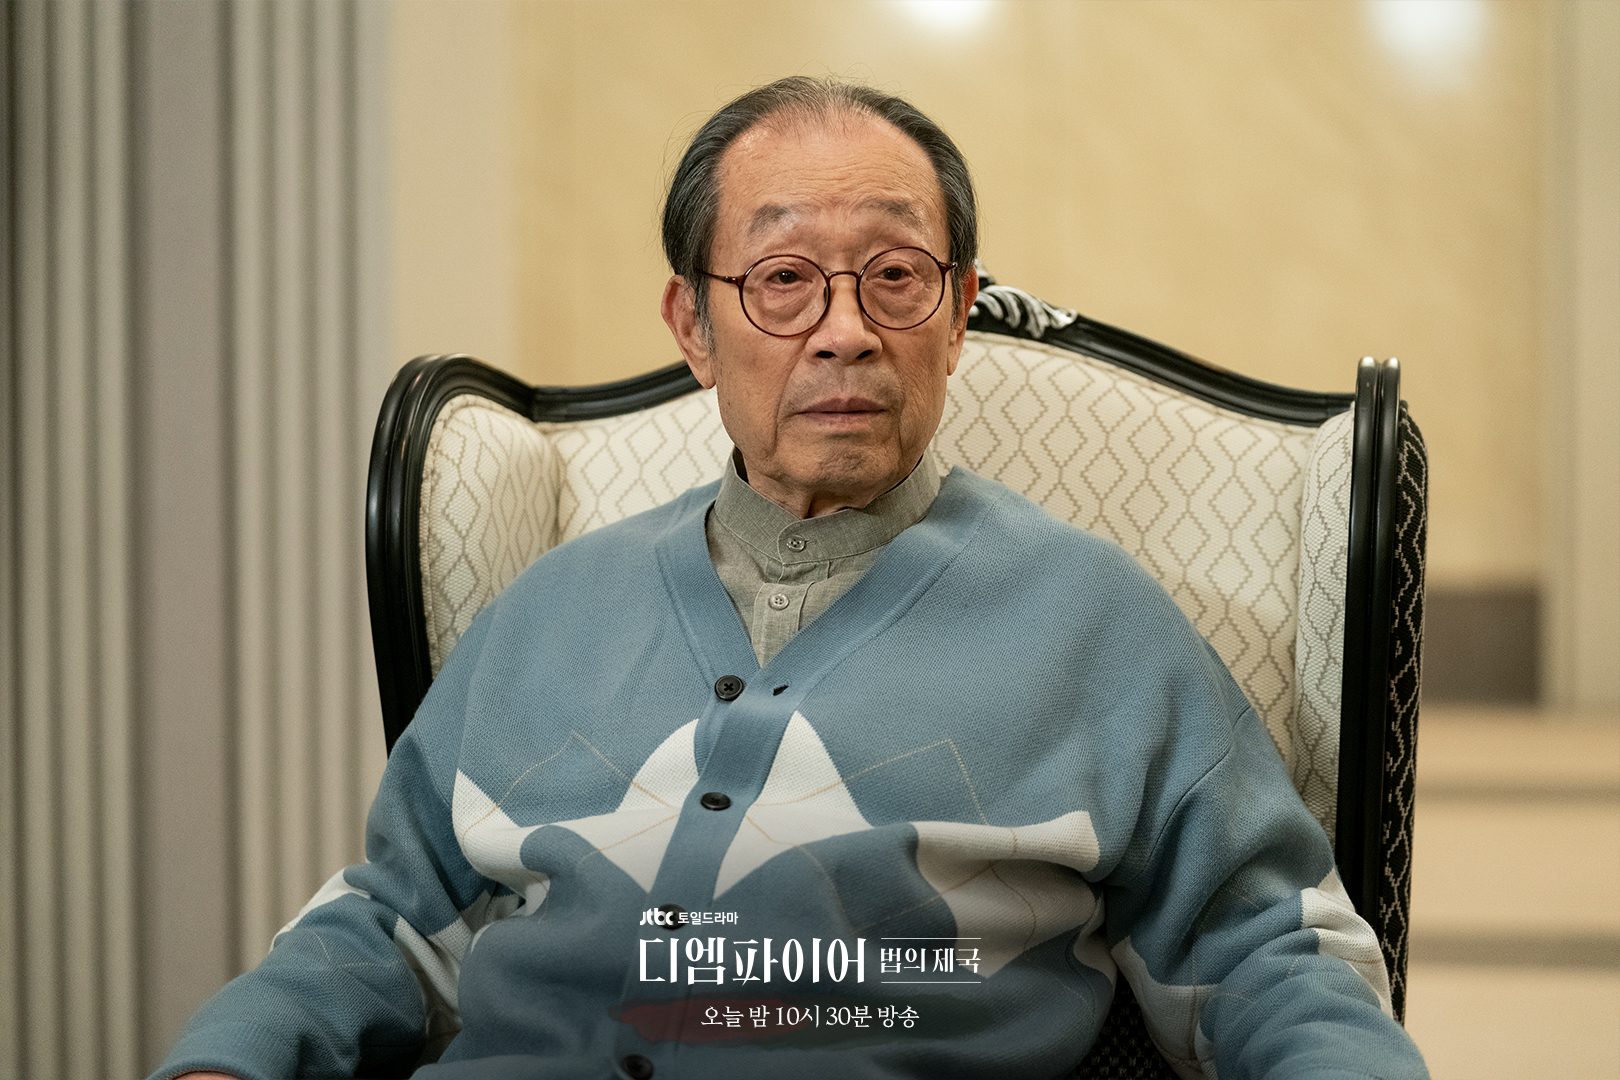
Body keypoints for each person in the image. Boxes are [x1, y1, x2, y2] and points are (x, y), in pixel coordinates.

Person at [157, 77, 1427, 1080]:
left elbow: (1267, 950)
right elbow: (385, 920)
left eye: (897, 277)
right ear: (693, 327)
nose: (846, 331)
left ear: (958, 314)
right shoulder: (547, 609)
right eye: (781, 281)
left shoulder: (1099, 626)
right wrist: (229, 1060)